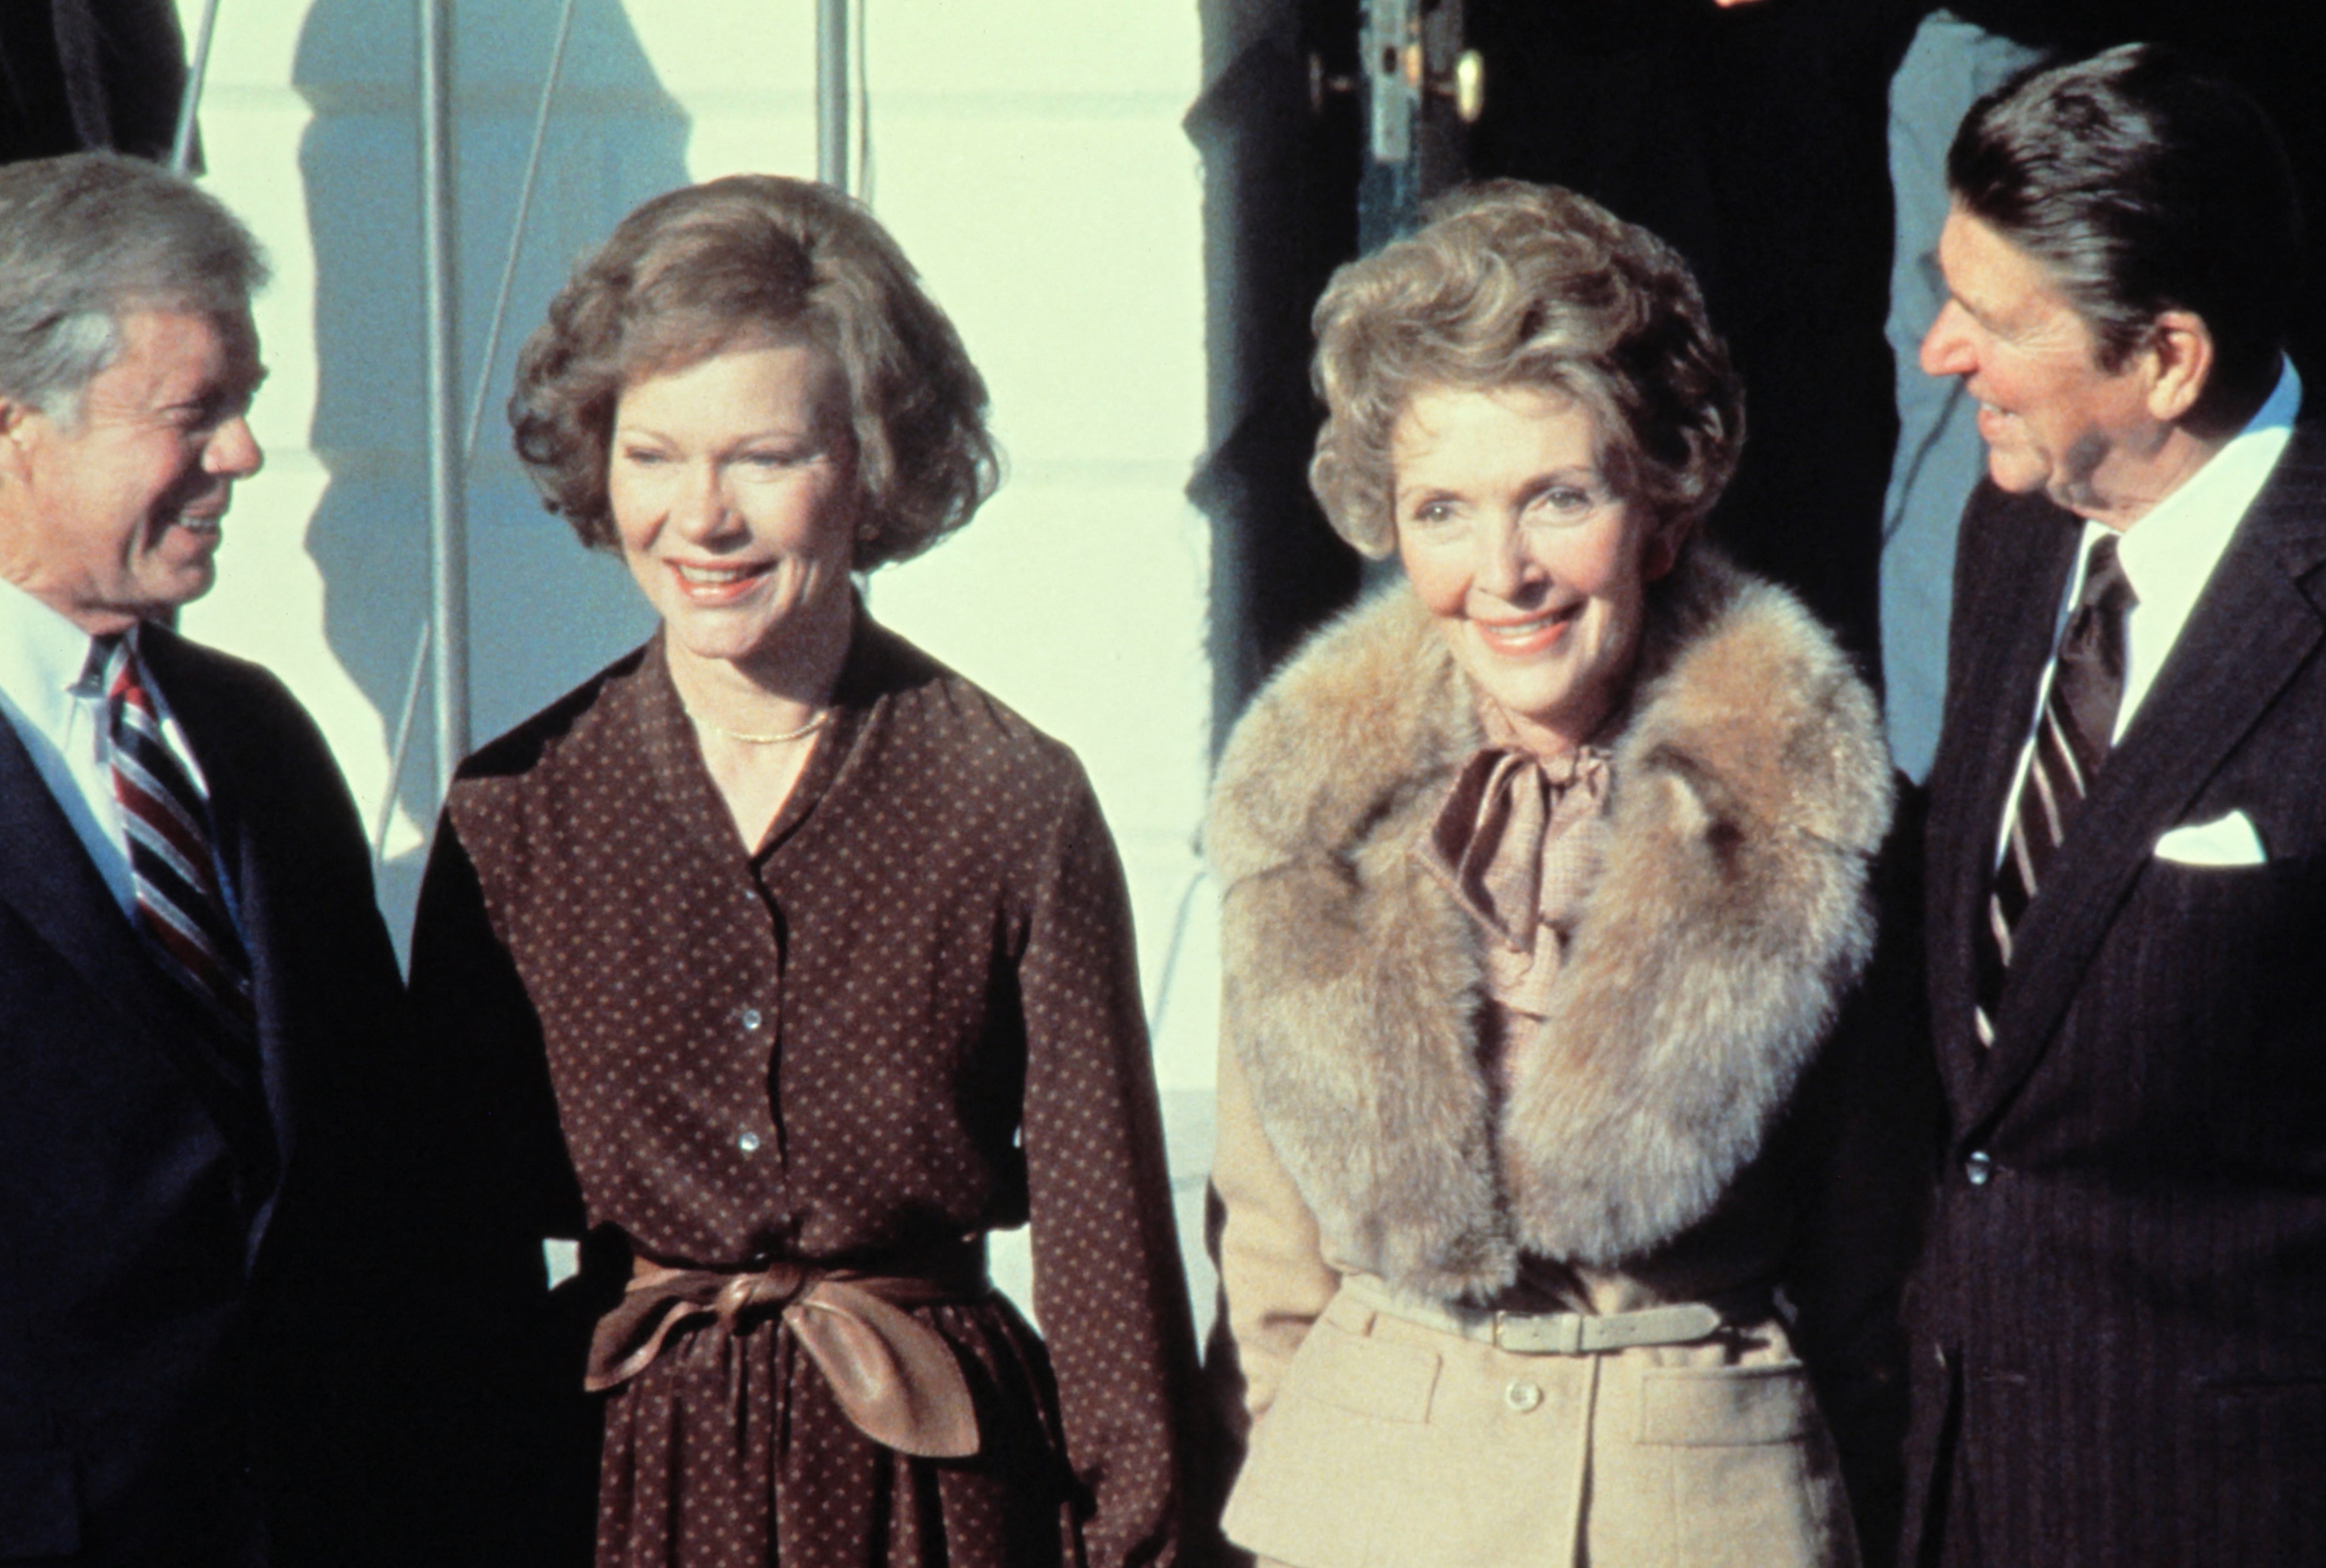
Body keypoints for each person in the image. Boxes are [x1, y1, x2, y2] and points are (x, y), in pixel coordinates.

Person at [406, 173, 1201, 1568]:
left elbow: (1107, 1248)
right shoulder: (514, 813)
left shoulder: (1011, 796)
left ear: (871, 463)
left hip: (935, 1496)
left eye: (764, 458)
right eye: (654, 455)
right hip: (605, 1494)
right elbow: (440, 1267)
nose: (701, 518)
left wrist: (1127, 1536)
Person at [1204, 181, 1900, 1568]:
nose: (1504, 570)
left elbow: (1876, 1277)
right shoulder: (1307, 804)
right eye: (1444, 509)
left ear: (1657, 503)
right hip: (1370, 1513)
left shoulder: (1808, 805)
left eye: (1558, 498)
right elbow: (1268, 1266)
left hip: (1703, 1519)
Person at [1904, 45, 2326, 1567]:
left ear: (2167, 359)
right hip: (1970, 1488)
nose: (1943, 349)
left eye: (1999, 318)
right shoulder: (2016, 535)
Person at [0, 152, 417, 1563]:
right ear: (8, 428)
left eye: (246, 405)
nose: (241, 455)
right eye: (194, 412)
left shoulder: (253, 739)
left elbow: (369, 1174)